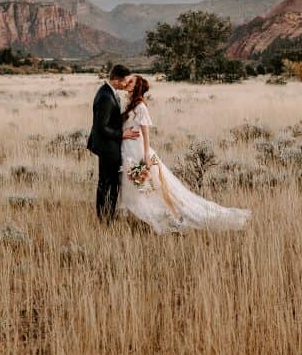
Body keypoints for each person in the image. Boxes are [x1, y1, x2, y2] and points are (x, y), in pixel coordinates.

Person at [117, 75, 251, 234]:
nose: (127, 82)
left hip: (139, 154)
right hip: (129, 151)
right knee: (138, 189)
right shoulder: (129, 104)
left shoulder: (140, 107)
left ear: (137, 86)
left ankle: (168, 219)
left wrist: (146, 155)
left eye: (131, 81)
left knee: (147, 190)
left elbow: (146, 133)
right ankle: (147, 218)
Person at [86, 64, 139, 221]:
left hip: (109, 146)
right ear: (116, 80)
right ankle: (105, 218)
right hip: (107, 148)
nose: (126, 84)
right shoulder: (105, 97)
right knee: (107, 184)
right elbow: (101, 127)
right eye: (125, 81)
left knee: (108, 183)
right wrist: (123, 134)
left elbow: (110, 120)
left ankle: (106, 216)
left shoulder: (110, 92)